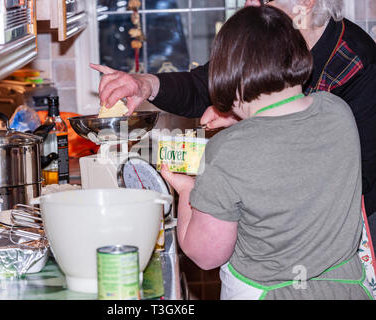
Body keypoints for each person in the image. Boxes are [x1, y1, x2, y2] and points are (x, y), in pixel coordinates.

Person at [91, 0, 376, 239]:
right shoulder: (266, 42)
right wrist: (145, 85)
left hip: (347, 226)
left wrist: (250, 121)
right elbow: (204, 85)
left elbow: (354, 175)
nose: (249, 6)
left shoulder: (356, 62)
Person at [159, 5, 370, 300]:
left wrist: (187, 192)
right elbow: (289, 138)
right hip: (348, 291)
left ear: (226, 74)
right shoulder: (338, 113)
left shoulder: (227, 150)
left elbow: (207, 256)